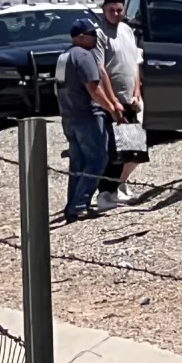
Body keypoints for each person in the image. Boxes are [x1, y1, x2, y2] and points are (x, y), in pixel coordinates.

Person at [55, 18, 123, 223]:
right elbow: (93, 88)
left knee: (78, 162)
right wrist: (112, 109)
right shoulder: (84, 56)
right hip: (88, 116)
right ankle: (79, 206)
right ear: (81, 37)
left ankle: (73, 205)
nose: (96, 37)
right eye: (92, 34)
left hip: (69, 116)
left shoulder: (64, 56)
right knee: (96, 160)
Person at [93, 0, 148, 211]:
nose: (116, 13)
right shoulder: (99, 34)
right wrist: (112, 100)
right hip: (111, 100)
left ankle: (118, 186)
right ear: (104, 10)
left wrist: (137, 91)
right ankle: (105, 193)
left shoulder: (127, 30)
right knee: (114, 151)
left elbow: (134, 63)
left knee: (133, 149)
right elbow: (101, 68)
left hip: (130, 98)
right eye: (111, 10)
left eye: (119, 9)